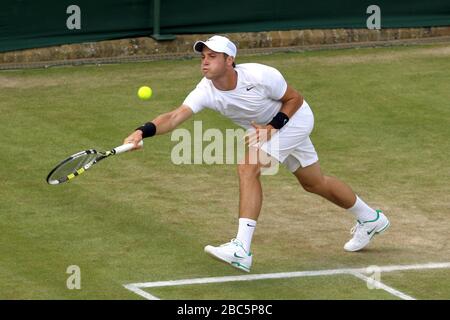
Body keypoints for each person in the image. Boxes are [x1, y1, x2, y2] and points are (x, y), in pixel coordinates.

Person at [123, 35, 390, 273]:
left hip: (293, 120)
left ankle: (241, 248)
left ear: (230, 60)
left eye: (212, 57)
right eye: (203, 57)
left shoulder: (260, 76)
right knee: (314, 182)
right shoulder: (205, 90)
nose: (205, 62)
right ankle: (370, 219)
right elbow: (174, 117)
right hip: (270, 130)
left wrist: (272, 128)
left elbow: (295, 99)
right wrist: (141, 132)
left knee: (248, 166)